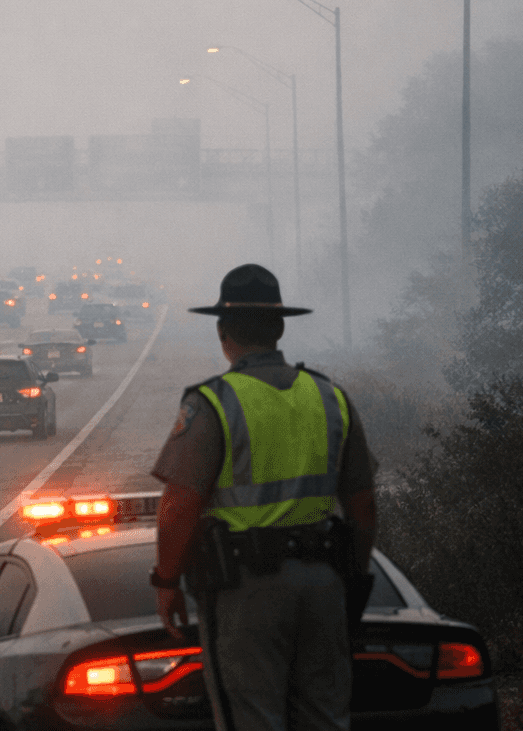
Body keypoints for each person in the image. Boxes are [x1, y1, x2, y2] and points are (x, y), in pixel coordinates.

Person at [149, 264, 377, 731]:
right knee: (326, 719)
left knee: (253, 720)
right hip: (324, 585)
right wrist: (351, 578)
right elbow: (363, 506)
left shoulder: (213, 403)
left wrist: (166, 580)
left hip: (245, 592)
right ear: (279, 328)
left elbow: (178, 507)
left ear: (223, 333)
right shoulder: (330, 397)